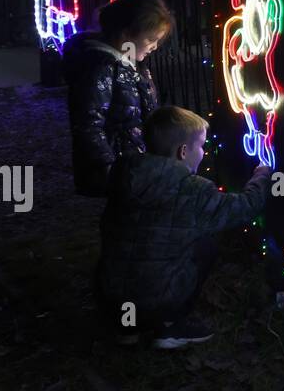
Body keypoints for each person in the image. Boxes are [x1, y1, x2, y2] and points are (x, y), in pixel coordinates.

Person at [97, 106, 272, 348]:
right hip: (156, 300)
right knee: (205, 245)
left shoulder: (124, 175)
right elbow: (244, 208)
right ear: (182, 151)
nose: (203, 152)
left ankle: (128, 328)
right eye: (200, 146)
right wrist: (263, 175)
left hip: (110, 296)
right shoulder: (191, 189)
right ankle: (169, 326)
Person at [64, 0, 173, 196]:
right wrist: (108, 166)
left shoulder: (131, 65)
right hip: (119, 168)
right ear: (126, 35)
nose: (154, 46)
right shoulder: (101, 68)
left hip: (133, 164)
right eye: (151, 39)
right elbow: (88, 124)